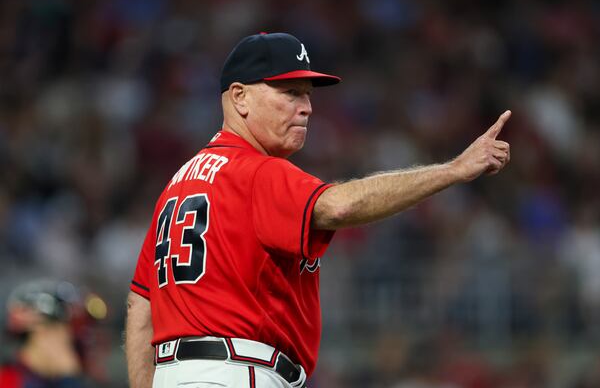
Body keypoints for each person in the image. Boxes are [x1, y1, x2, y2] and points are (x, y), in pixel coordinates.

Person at [125, 32, 511, 388]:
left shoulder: (177, 184)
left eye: (307, 94)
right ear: (239, 97)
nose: (306, 108)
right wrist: (453, 170)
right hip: (237, 373)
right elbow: (340, 207)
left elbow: (141, 307)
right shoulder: (256, 171)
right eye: (290, 93)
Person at [0, 280, 89, 388]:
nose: (69, 341)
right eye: (64, 329)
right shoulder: (9, 381)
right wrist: (70, 377)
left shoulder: (50, 381)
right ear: (41, 332)